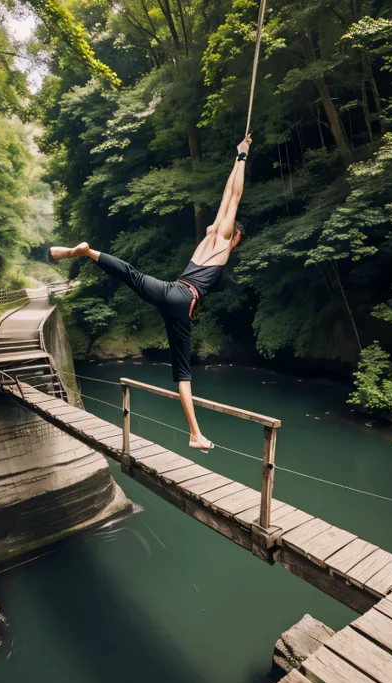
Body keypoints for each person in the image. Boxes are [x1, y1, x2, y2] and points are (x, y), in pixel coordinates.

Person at [50, 134, 251, 452]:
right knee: (183, 373)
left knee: (132, 274)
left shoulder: (209, 235)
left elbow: (227, 197)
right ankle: (195, 434)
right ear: (235, 235)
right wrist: (243, 157)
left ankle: (89, 253)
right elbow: (235, 196)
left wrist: (238, 156)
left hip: (170, 289)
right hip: (184, 302)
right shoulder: (224, 241)